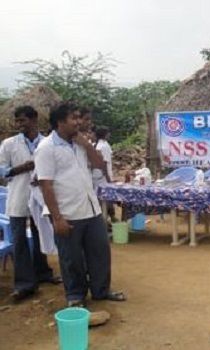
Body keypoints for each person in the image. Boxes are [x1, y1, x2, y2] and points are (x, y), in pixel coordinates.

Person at [35, 102, 125, 307]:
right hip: (67, 213)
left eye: (79, 117)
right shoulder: (47, 148)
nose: (79, 122)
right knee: (71, 258)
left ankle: (101, 291)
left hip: (90, 209)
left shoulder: (79, 144)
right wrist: (57, 218)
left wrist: (85, 144)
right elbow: (46, 185)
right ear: (60, 122)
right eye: (73, 118)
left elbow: (99, 165)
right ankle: (75, 296)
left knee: (100, 252)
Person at [0, 105, 61, 302]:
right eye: (17, 121)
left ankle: (43, 273)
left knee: (41, 233)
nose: (19, 124)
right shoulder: (9, 144)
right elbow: (2, 171)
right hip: (18, 195)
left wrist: (42, 177)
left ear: (34, 120)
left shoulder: (47, 142)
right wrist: (23, 168)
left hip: (41, 196)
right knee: (19, 240)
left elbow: (56, 169)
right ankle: (25, 284)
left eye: (22, 120)